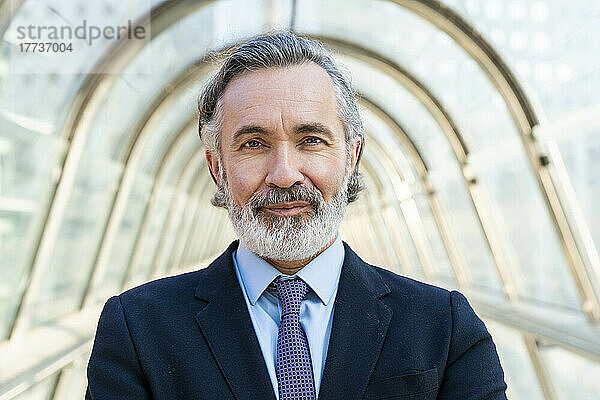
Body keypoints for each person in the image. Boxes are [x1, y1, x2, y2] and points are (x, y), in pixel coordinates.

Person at [86, 32, 507, 400]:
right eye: (253, 143)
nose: (285, 175)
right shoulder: (138, 331)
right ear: (218, 167)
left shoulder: (444, 329)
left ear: (351, 157)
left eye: (311, 140)